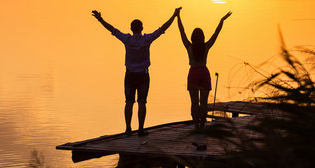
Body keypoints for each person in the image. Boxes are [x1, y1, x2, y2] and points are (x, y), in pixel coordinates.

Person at [92, 8, 181, 136]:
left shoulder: (127, 39)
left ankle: (128, 129)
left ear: (131, 28)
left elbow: (112, 29)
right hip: (143, 75)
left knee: (128, 102)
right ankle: (140, 129)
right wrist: (174, 15)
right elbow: (162, 28)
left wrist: (100, 19)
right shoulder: (146, 40)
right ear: (142, 28)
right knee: (142, 101)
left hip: (130, 75)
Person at [175, 10, 232, 129]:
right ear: (203, 37)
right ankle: (202, 124)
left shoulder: (189, 46)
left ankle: (196, 125)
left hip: (193, 73)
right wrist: (222, 20)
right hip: (204, 73)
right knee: (204, 102)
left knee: (194, 102)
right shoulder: (206, 46)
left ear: (192, 38)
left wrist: (178, 16)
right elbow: (216, 33)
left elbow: (182, 31)